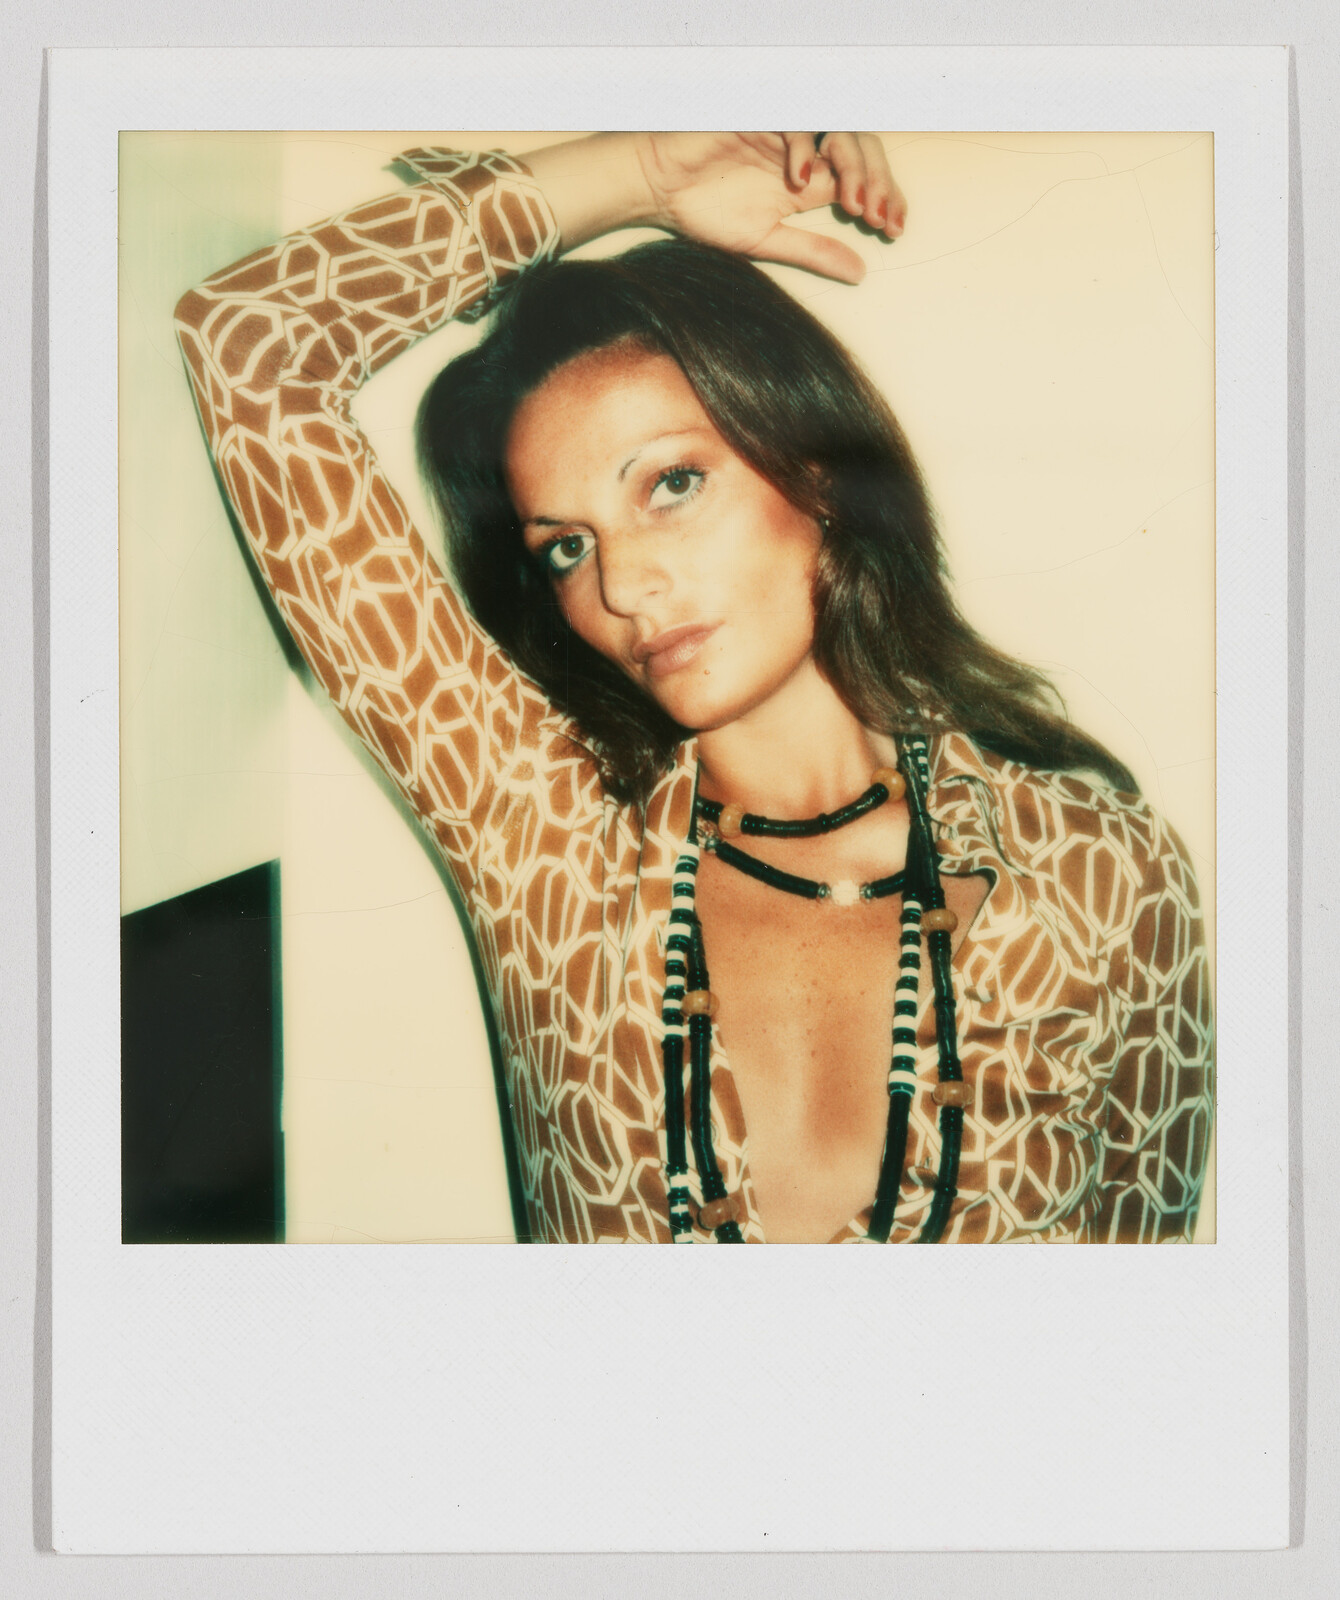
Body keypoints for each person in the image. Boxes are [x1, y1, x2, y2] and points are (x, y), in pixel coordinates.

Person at [174, 132, 1213, 1244]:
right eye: (564, 546)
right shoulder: (547, 850)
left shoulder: (1099, 876)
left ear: (814, 470)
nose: (620, 583)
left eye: (669, 484)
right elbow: (249, 347)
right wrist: (644, 177)